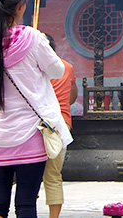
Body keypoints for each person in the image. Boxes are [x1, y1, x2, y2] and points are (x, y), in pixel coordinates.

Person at [0, 0, 72, 218]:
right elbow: (57, 71)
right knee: (26, 204)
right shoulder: (33, 37)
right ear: (21, 7)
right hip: (29, 134)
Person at [43, 34, 78, 218]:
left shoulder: (33, 67)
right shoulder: (67, 67)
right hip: (60, 124)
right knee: (53, 176)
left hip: (34, 124)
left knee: (28, 176)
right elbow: (72, 98)